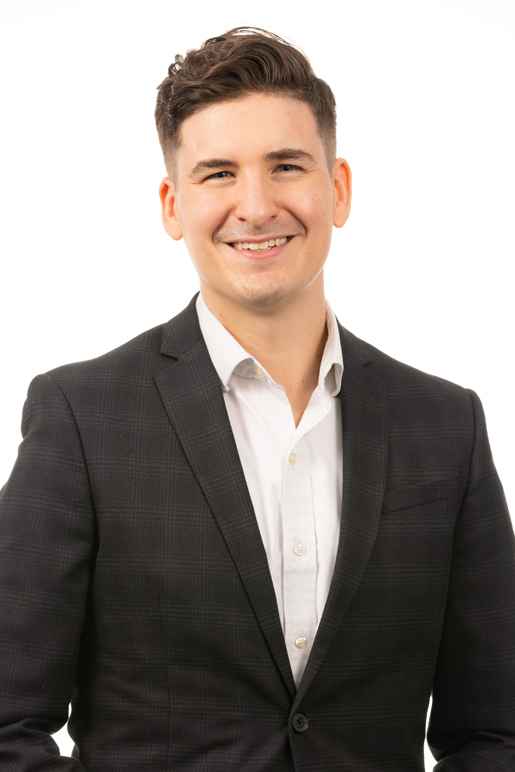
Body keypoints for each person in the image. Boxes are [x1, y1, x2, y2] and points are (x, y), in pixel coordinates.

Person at [0, 25, 514, 772]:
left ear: (336, 188)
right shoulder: (83, 419)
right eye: (217, 174)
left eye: (285, 165)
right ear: (173, 205)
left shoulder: (444, 427)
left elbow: (495, 733)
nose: (255, 204)